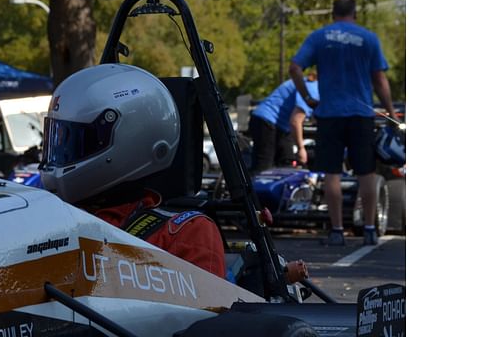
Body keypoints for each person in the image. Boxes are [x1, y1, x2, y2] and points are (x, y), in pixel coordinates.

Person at [39, 64, 225, 278]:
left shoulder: (185, 233)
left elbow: (206, 309)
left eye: (76, 143)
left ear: (131, 140)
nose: (63, 154)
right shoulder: (48, 216)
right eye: (59, 142)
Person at [289, 0, 396, 246]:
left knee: (332, 173)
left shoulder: (319, 37)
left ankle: (337, 230)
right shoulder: (368, 38)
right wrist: (389, 111)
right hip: (361, 115)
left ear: (332, 13)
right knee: (366, 172)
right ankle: (369, 228)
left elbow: (295, 67)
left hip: (330, 114)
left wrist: (307, 97)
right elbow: (379, 79)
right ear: (355, 13)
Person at [248, 75, 318, 172]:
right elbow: (295, 121)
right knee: (264, 167)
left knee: (287, 163)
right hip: (266, 120)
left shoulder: (317, 88)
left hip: (281, 126)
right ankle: (255, 185)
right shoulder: (313, 88)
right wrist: (301, 148)